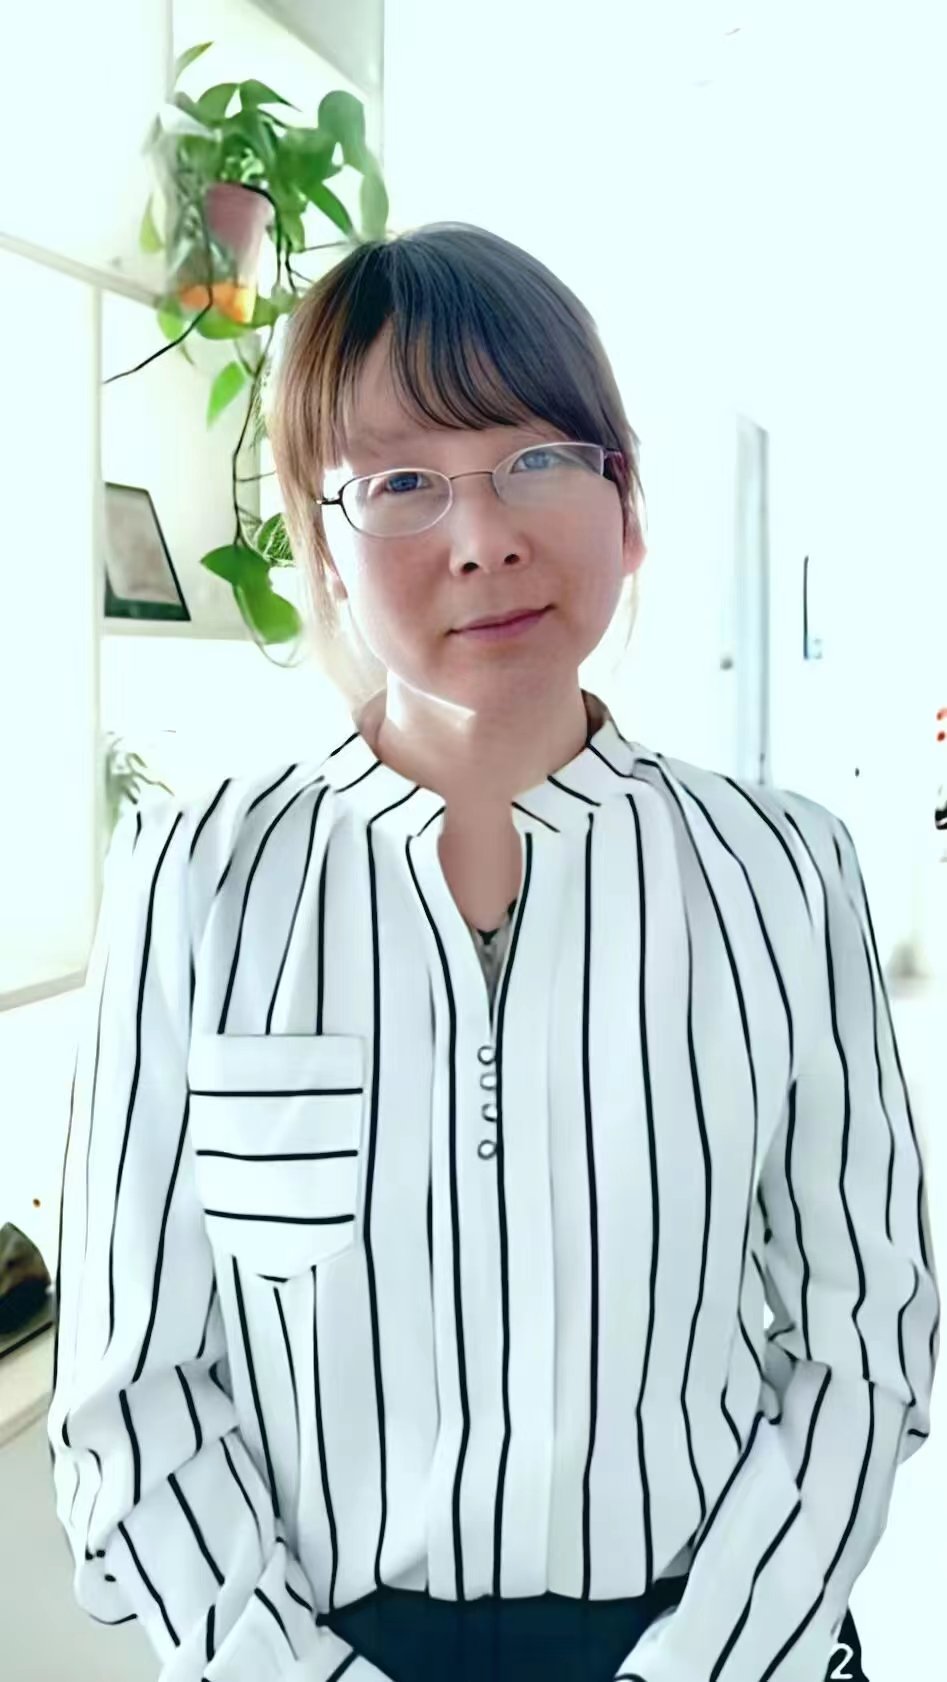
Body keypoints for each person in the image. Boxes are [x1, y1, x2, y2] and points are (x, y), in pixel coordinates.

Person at [46, 223, 939, 1682]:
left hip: (716, 1634)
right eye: (402, 484)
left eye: (535, 456)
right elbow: (127, 1395)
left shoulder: (786, 871)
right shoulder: (197, 877)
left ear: (624, 500)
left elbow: (867, 1341)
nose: (484, 537)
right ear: (322, 547)